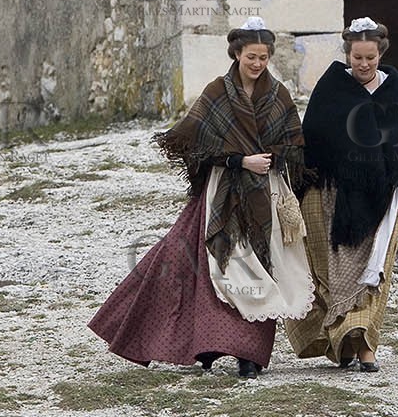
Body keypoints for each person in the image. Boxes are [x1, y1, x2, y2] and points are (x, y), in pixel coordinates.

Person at [88, 19, 311, 379]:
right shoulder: (217, 92)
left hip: (265, 196)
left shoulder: (278, 94)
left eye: (263, 57)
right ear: (236, 54)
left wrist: (274, 158)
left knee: (259, 268)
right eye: (251, 57)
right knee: (202, 262)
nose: (257, 63)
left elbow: (294, 142)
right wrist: (239, 160)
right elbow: (192, 141)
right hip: (222, 192)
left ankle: (249, 355)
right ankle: (202, 343)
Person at [285, 17, 398, 372]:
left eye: (370, 58)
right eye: (357, 57)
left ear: (380, 54)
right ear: (347, 54)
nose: (363, 64)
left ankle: (367, 347)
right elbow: (313, 141)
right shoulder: (331, 88)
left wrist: (391, 176)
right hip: (332, 196)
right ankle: (343, 342)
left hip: (381, 197)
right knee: (334, 271)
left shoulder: (394, 89)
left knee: (373, 270)